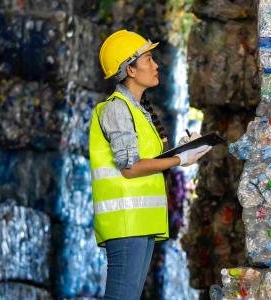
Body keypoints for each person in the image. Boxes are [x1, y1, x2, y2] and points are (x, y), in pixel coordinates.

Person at [90, 29, 212, 299]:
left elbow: (147, 157)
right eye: (148, 59)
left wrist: (182, 147)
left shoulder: (137, 110)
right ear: (130, 70)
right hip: (126, 221)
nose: (155, 65)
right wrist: (180, 159)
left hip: (140, 221)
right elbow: (130, 167)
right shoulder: (116, 109)